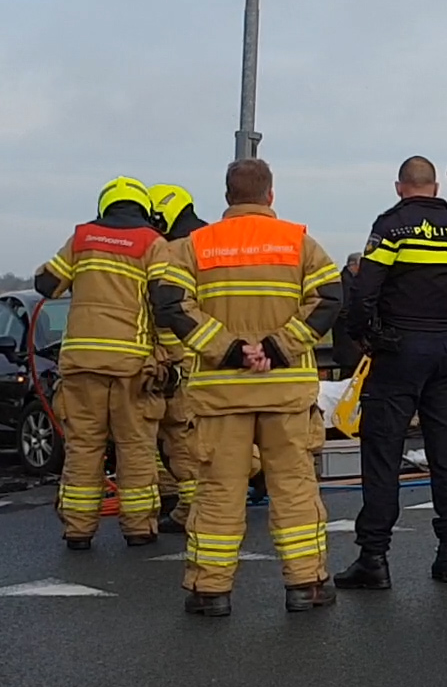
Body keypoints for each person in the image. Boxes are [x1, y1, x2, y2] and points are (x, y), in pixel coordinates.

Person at [150, 159, 343, 617]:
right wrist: (277, 349)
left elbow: (170, 304)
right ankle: (307, 585)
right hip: (285, 393)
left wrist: (231, 351)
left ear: (227, 196)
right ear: (270, 195)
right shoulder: (299, 243)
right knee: (295, 490)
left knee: (218, 492)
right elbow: (330, 300)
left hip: (221, 396)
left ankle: (210, 591)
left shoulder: (196, 246)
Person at [336, 155, 447, 588]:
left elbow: (364, 291)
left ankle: (374, 558)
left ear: (400, 187)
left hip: (401, 350)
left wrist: (367, 338)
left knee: (382, 454)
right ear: (436, 188)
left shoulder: (392, 226)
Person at [34, 177, 168, 550]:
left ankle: (78, 529)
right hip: (131, 366)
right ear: (143, 208)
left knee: (83, 447)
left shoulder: (82, 239)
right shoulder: (152, 244)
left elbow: (46, 284)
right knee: (135, 446)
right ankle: (139, 528)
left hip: (81, 365)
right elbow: (165, 303)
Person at [147, 183, 206, 536]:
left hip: (177, 355)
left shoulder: (171, 248)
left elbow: (162, 305)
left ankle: (189, 508)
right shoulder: (210, 238)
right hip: (208, 352)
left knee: (176, 431)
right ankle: (173, 495)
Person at [329, 253, 366, 379]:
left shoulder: (346, 280)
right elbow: (343, 310)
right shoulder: (345, 283)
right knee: (348, 377)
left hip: (348, 340)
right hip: (347, 340)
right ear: (354, 265)